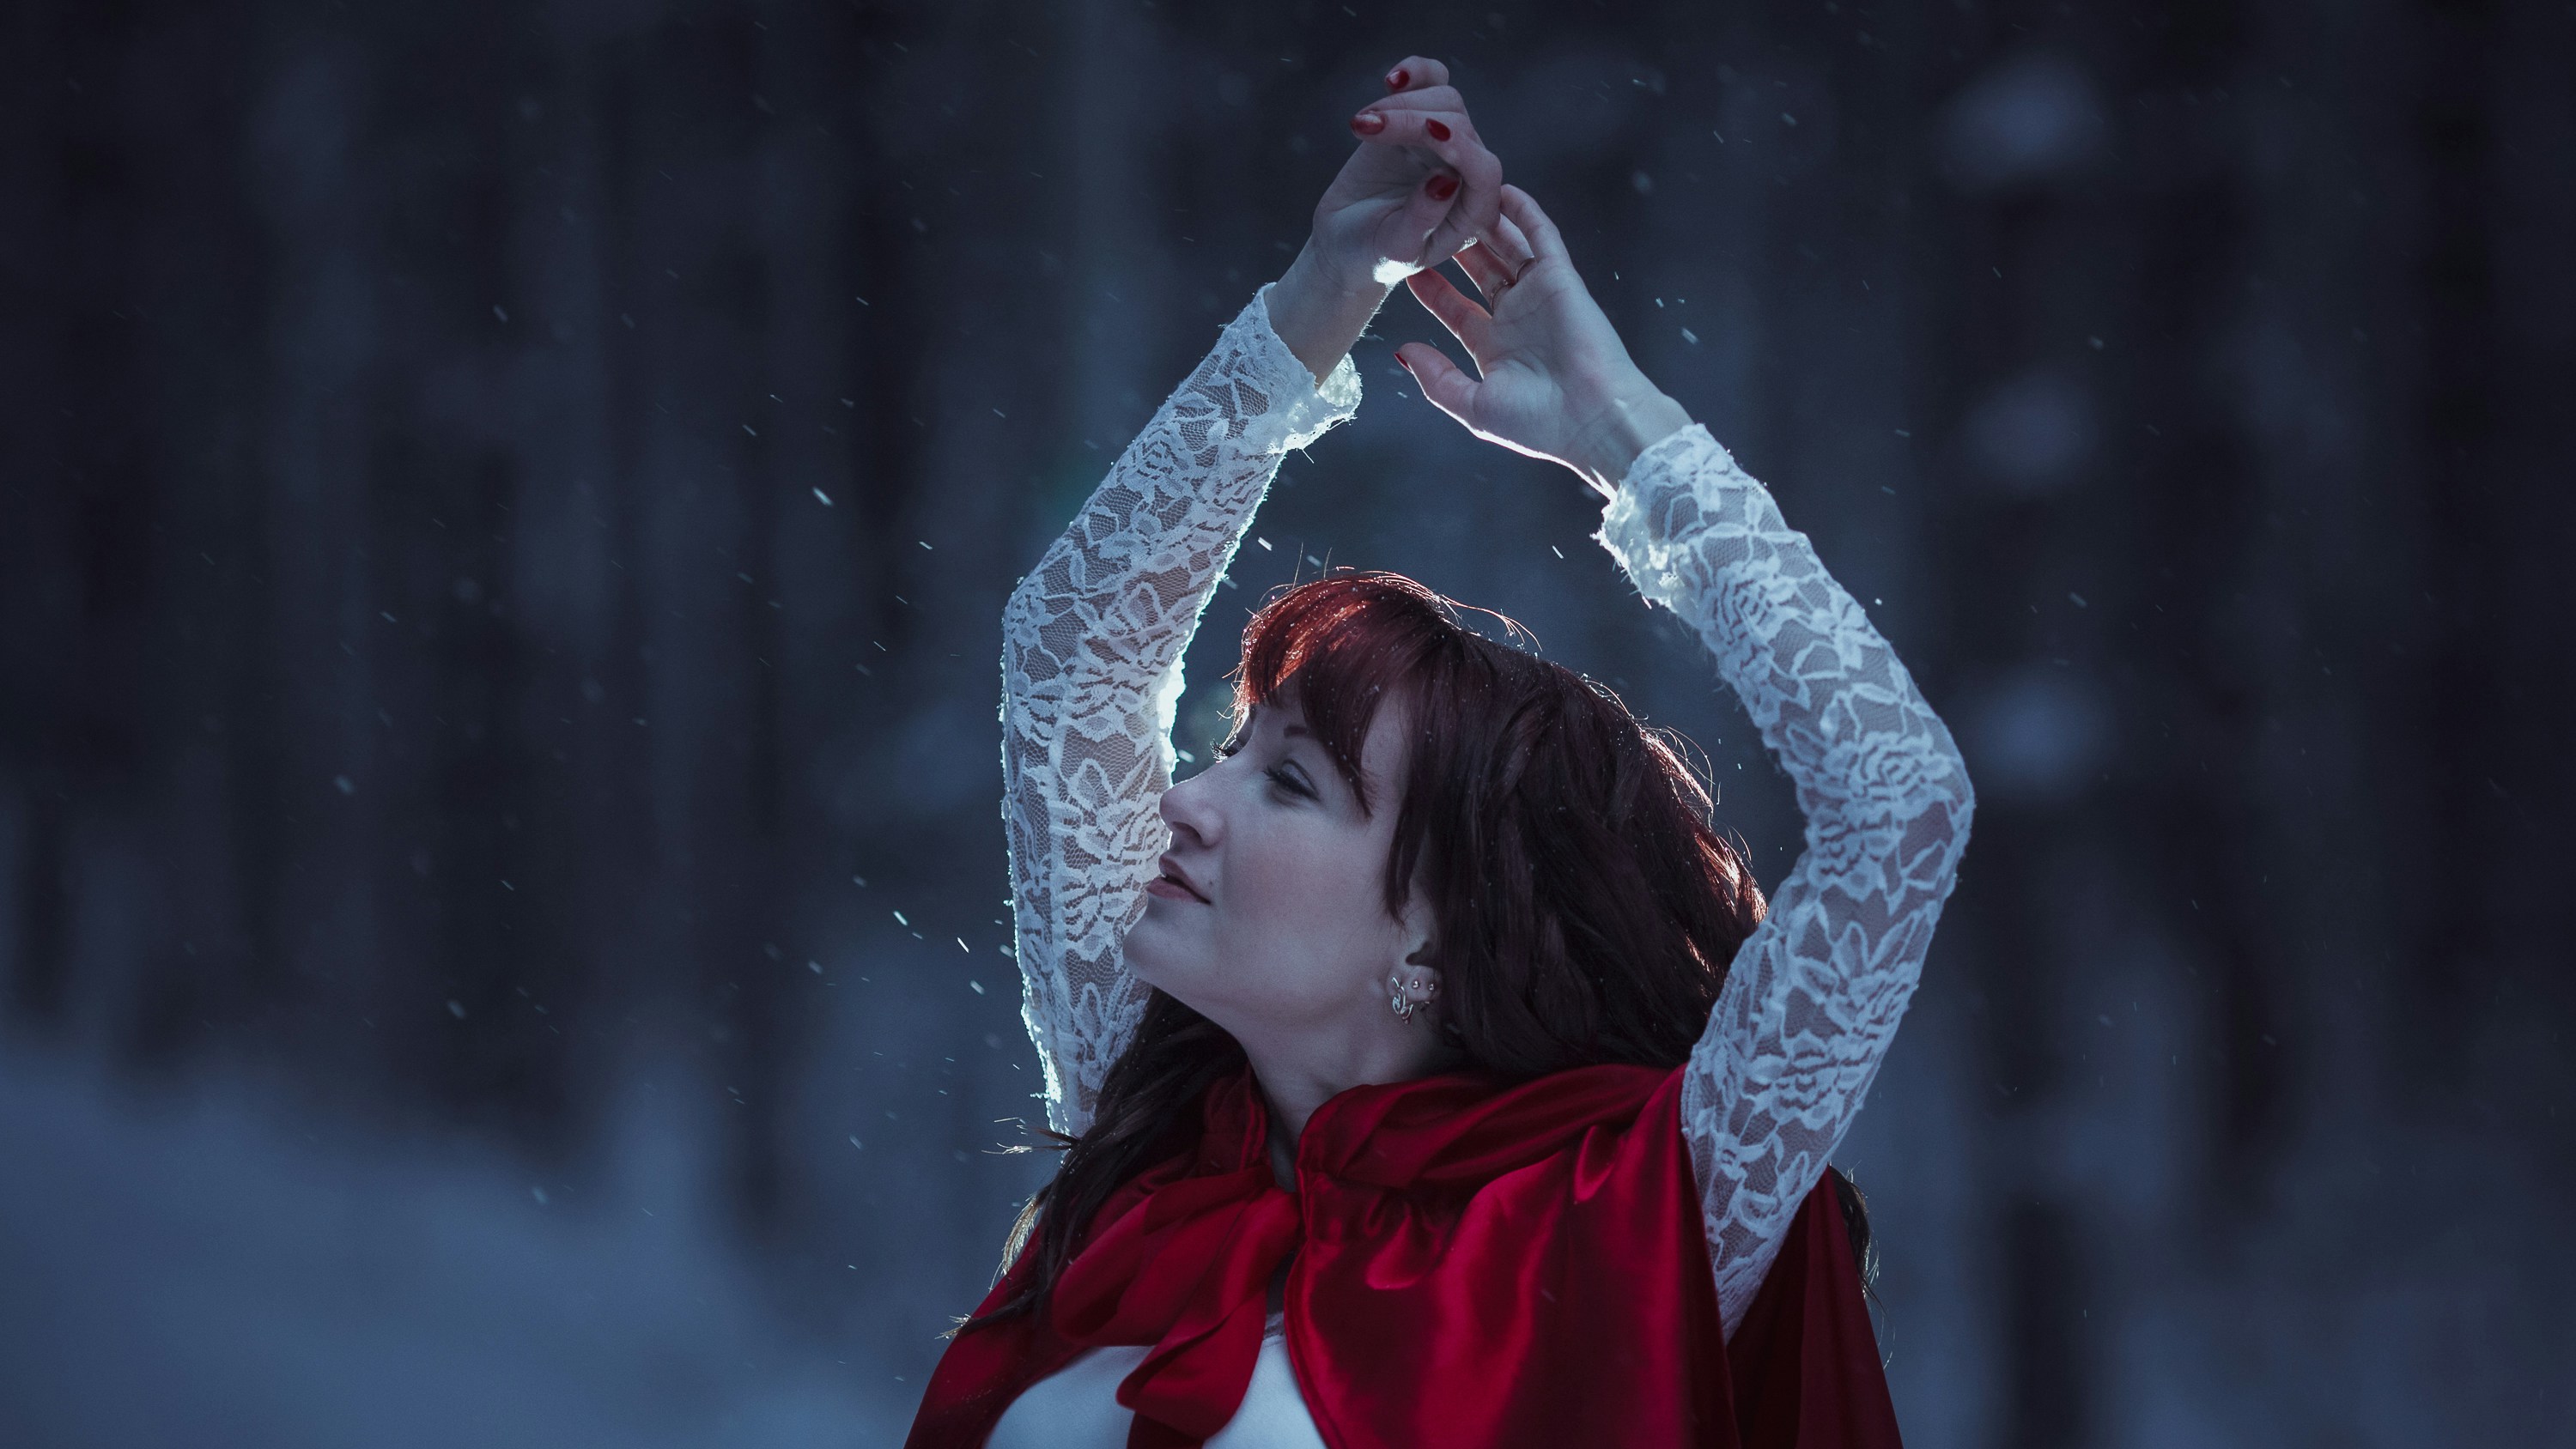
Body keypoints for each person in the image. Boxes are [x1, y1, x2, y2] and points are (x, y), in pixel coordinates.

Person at [906, 58, 1975, 1449]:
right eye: (1233, 751)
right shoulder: (1156, 1127)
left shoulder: (1623, 1232)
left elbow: (1901, 801)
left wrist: (1618, 432)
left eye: (1288, 781)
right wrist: (1318, 300)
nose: (1181, 803)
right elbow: (1072, 650)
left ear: (1440, 936)